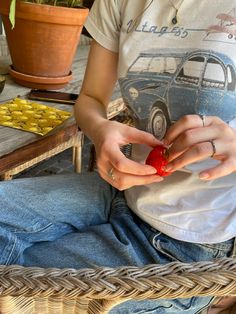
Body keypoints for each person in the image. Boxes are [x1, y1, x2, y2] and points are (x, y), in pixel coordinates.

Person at [0, 0, 236, 313]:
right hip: (119, 192)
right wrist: (101, 130)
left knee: (23, 286)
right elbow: (91, 99)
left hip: (190, 243)